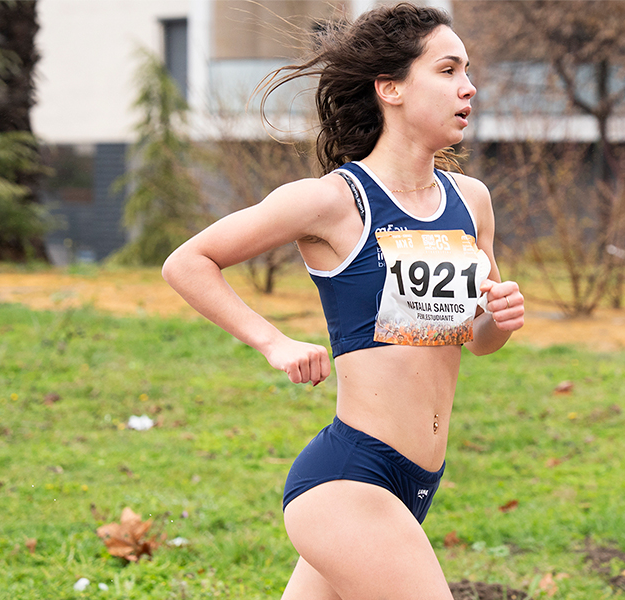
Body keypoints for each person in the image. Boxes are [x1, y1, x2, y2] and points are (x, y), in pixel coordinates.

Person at [162, 3, 524, 598]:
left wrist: (500, 321)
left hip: (417, 482)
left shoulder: (471, 200)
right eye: (448, 70)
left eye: (467, 71)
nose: (469, 86)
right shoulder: (333, 202)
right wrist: (273, 343)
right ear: (391, 88)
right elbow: (188, 262)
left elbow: (476, 339)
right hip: (349, 480)